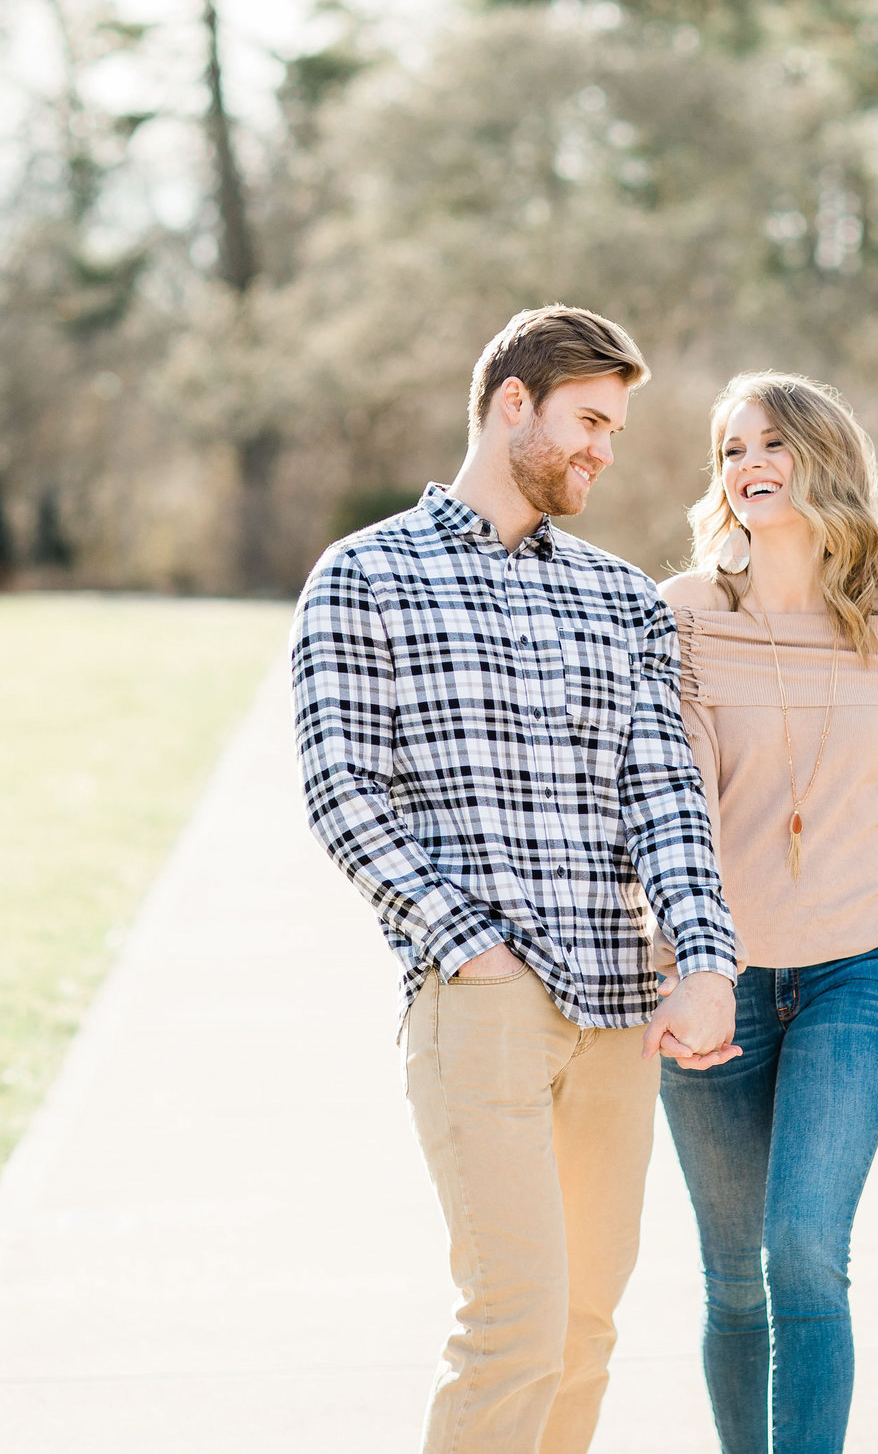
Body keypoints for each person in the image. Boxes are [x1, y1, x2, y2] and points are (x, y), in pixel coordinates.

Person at [290, 305, 744, 1454]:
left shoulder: (622, 597)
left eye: (615, 427)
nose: (604, 446)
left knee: (585, 1326)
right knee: (515, 1321)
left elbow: (668, 800)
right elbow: (345, 795)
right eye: (588, 418)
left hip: (618, 1006)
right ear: (512, 403)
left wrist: (703, 958)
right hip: (480, 997)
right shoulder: (365, 576)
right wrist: (471, 946)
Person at [655, 371, 878, 1454]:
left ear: (825, 460)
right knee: (733, 1277)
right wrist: (675, 960)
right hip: (719, 971)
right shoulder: (684, 618)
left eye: (773, 442)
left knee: (803, 1246)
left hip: (862, 966)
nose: (748, 462)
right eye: (730, 448)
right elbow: (664, 812)